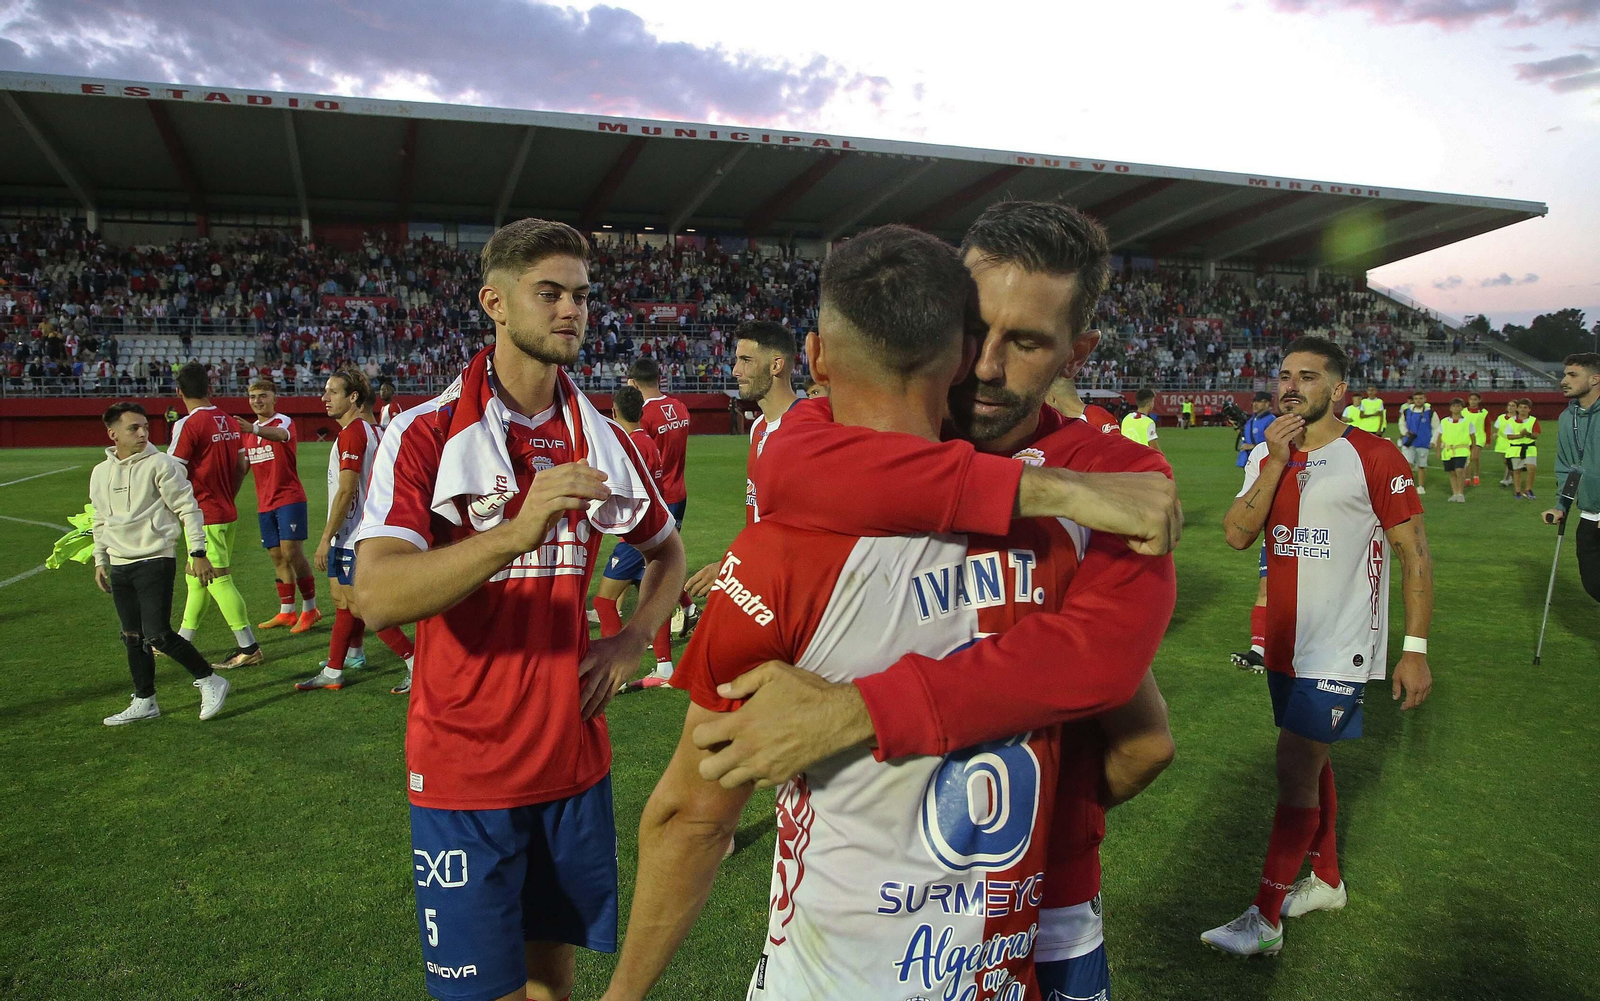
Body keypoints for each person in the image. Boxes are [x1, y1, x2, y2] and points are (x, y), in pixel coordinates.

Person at [662, 201, 1183, 1000]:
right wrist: (1049, 489)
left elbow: (1100, 662)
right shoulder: (847, 434)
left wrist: (855, 712)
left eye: (1028, 342)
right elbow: (785, 469)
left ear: (1079, 352)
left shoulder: (1129, 479)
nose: (984, 366)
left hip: (1044, 906)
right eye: (975, 331)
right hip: (868, 909)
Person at [352, 218, 686, 1001]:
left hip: (573, 765)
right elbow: (376, 594)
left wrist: (634, 637)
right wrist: (515, 531)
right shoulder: (426, 433)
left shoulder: (599, 435)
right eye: (549, 293)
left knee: (551, 985)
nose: (570, 310)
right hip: (466, 772)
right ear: (494, 303)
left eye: (580, 295)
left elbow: (668, 551)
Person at [1206, 335, 1434, 957]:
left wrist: (1413, 647)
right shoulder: (1266, 455)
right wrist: (1274, 461)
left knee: (1292, 770)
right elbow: (1235, 534)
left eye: (1307, 376)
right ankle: (1328, 882)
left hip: (1341, 643)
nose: (1290, 384)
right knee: (1311, 764)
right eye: (1284, 374)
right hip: (1285, 643)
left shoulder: (1375, 455)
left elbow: (1414, 552)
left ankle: (1265, 917)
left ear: (1337, 391)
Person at [90, 402, 231, 725]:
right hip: (119, 563)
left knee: (158, 634)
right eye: (133, 428)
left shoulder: (162, 465)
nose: (142, 433)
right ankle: (145, 700)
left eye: (144, 427)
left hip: (155, 558)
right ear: (113, 434)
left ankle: (210, 679)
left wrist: (197, 552)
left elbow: (188, 508)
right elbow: (100, 519)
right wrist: (101, 560)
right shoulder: (100, 473)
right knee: (132, 636)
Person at [296, 369, 415, 693]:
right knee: (343, 601)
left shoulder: (352, 433)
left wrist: (324, 539)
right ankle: (341, 664)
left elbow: (347, 490)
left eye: (332, 391)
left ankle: (414, 661)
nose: (324, 397)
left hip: (353, 534)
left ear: (353, 397)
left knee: (361, 605)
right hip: (360, 530)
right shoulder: (373, 429)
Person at [679, 319, 802, 606]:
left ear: (776, 365)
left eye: (746, 360)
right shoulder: (758, 427)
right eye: (736, 360)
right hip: (762, 576)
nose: (735, 371)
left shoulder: (807, 427)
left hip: (793, 586)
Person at [168, 362, 262, 669]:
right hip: (224, 509)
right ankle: (182, 638)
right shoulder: (230, 421)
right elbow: (241, 467)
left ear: (179, 391)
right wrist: (227, 497)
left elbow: (173, 473)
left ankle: (248, 647)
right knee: (196, 578)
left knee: (218, 578)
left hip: (203, 514)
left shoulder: (188, 425)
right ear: (210, 388)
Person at [594, 384, 673, 689]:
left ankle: (616, 672)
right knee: (652, 600)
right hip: (653, 532)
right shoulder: (649, 442)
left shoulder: (626, 445)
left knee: (603, 602)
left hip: (634, 538)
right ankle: (664, 667)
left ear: (614, 412)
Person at [623, 356, 699, 645]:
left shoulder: (644, 416)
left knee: (650, 562)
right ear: (659, 378)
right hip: (680, 492)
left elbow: (645, 458)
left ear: (633, 383)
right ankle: (688, 607)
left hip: (658, 497)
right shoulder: (679, 407)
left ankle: (633, 618)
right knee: (664, 557)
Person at [237, 379, 320, 633]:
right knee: (276, 555)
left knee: (292, 552)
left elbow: (281, 436)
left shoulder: (282, 422)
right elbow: (243, 468)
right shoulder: (248, 434)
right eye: (253, 397)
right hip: (265, 503)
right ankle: (287, 611)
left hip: (289, 498)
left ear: (275, 398)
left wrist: (252, 428)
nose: (257, 401)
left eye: (263, 396)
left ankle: (310, 608)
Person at [1543, 353, 1600, 602]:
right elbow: (1570, 469)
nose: (1564, 380)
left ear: (1595, 379)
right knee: (1593, 585)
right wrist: (1561, 506)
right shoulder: (1567, 418)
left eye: (1573, 375)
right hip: (1588, 517)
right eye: (1565, 374)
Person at [1230, 391, 1277, 673]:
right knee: (1265, 590)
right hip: (1273, 534)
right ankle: (1258, 650)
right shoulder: (1258, 432)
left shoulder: (1270, 422)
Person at [1045, 369, 1118, 434]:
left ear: (1052, 398)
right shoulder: (1061, 424)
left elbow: (1117, 447)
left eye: (1044, 398)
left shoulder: (1097, 417)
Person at [1435, 398, 1480, 503]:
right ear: (1450, 408)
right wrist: (1438, 450)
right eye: (1454, 406)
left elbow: (1473, 437)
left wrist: (1473, 450)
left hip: (1462, 450)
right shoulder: (1445, 422)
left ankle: (1460, 493)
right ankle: (1455, 493)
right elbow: (1439, 437)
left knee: (1459, 470)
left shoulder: (1467, 422)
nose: (1456, 408)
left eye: (1459, 406)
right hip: (1448, 451)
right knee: (1452, 472)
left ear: (1462, 408)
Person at [1399, 391, 1439, 495]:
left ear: (1425, 399)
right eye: (1416, 398)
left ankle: (1420, 486)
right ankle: (1408, 485)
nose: (1418, 400)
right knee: (1407, 464)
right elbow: (1401, 424)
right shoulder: (1407, 411)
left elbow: (1436, 428)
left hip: (1423, 442)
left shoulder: (1430, 413)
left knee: (1421, 465)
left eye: (1421, 398)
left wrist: (1433, 441)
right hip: (1409, 442)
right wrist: (1405, 433)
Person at [1510, 398, 1542, 500]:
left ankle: (1528, 489)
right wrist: (1521, 435)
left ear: (1529, 409)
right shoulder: (1511, 421)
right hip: (1515, 448)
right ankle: (1518, 491)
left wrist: (1527, 434)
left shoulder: (1533, 420)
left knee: (1531, 467)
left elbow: (1536, 435)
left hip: (1530, 447)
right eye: (1520, 407)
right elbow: (1509, 436)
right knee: (1517, 470)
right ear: (1517, 409)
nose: (1523, 409)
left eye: (1525, 407)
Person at [1121, 387, 1162, 452]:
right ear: (1149, 403)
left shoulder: (1126, 418)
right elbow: (1154, 447)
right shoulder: (1148, 422)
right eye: (1153, 401)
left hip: (1126, 458)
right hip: (1142, 459)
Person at [1463, 391, 1489, 486]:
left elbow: (1487, 426)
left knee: (1475, 457)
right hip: (1466, 437)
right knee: (1467, 458)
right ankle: (1467, 477)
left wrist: (1488, 440)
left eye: (1475, 400)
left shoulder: (1483, 413)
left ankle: (1476, 474)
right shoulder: (1463, 412)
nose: (1473, 402)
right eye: (1471, 399)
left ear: (1479, 401)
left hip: (1479, 437)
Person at [1494, 398, 1519, 487]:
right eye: (1509, 405)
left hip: (1513, 441)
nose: (1510, 408)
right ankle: (1513, 477)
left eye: (1513, 406)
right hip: (1502, 441)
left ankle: (1506, 479)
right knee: (1506, 461)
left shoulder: (1518, 419)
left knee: (1509, 460)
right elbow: (1497, 428)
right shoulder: (1501, 417)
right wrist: (1495, 434)